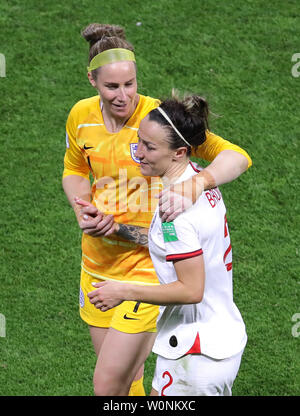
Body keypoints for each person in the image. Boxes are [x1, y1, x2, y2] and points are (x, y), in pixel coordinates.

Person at [62, 22, 251, 396]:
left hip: (152, 267)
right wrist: (80, 207)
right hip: (98, 265)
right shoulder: (81, 116)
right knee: (121, 381)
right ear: (92, 81)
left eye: (129, 84)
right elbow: (73, 169)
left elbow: (236, 157)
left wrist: (195, 184)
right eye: (112, 86)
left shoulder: (159, 123)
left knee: (106, 385)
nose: (123, 95)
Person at [87, 93, 248, 396]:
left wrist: (122, 291)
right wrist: (118, 229)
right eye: (139, 142)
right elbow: (174, 246)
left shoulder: (176, 212)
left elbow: (190, 289)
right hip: (217, 341)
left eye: (149, 147)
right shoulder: (197, 181)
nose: (139, 154)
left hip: (195, 357)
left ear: (178, 152)